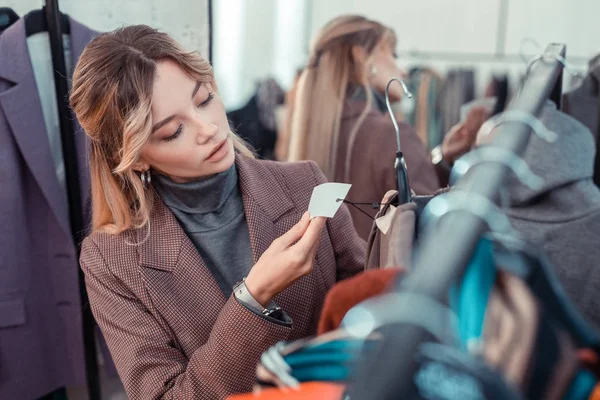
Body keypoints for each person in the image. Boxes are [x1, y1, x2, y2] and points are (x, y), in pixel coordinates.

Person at [69, 25, 366, 400]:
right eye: (174, 130)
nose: (208, 129)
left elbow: (371, 314)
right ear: (135, 157)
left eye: (205, 98)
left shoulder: (305, 183)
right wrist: (254, 295)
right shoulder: (111, 260)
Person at [287, 15, 488, 240]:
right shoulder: (389, 134)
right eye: (392, 55)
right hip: (385, 274)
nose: (402, 72)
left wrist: (441, 158)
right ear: (361, 56)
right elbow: (433, 222)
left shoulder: (311, 134)